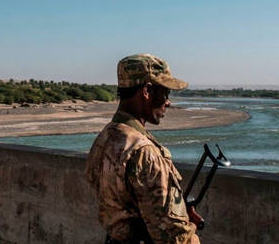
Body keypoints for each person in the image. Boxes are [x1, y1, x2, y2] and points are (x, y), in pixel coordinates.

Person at [85, 54, 201, 244]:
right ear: (147, 91)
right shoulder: (143, 152)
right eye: (165, 93)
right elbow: (173, 238)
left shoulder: (105, 137)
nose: (168, 102)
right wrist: (189, 229)